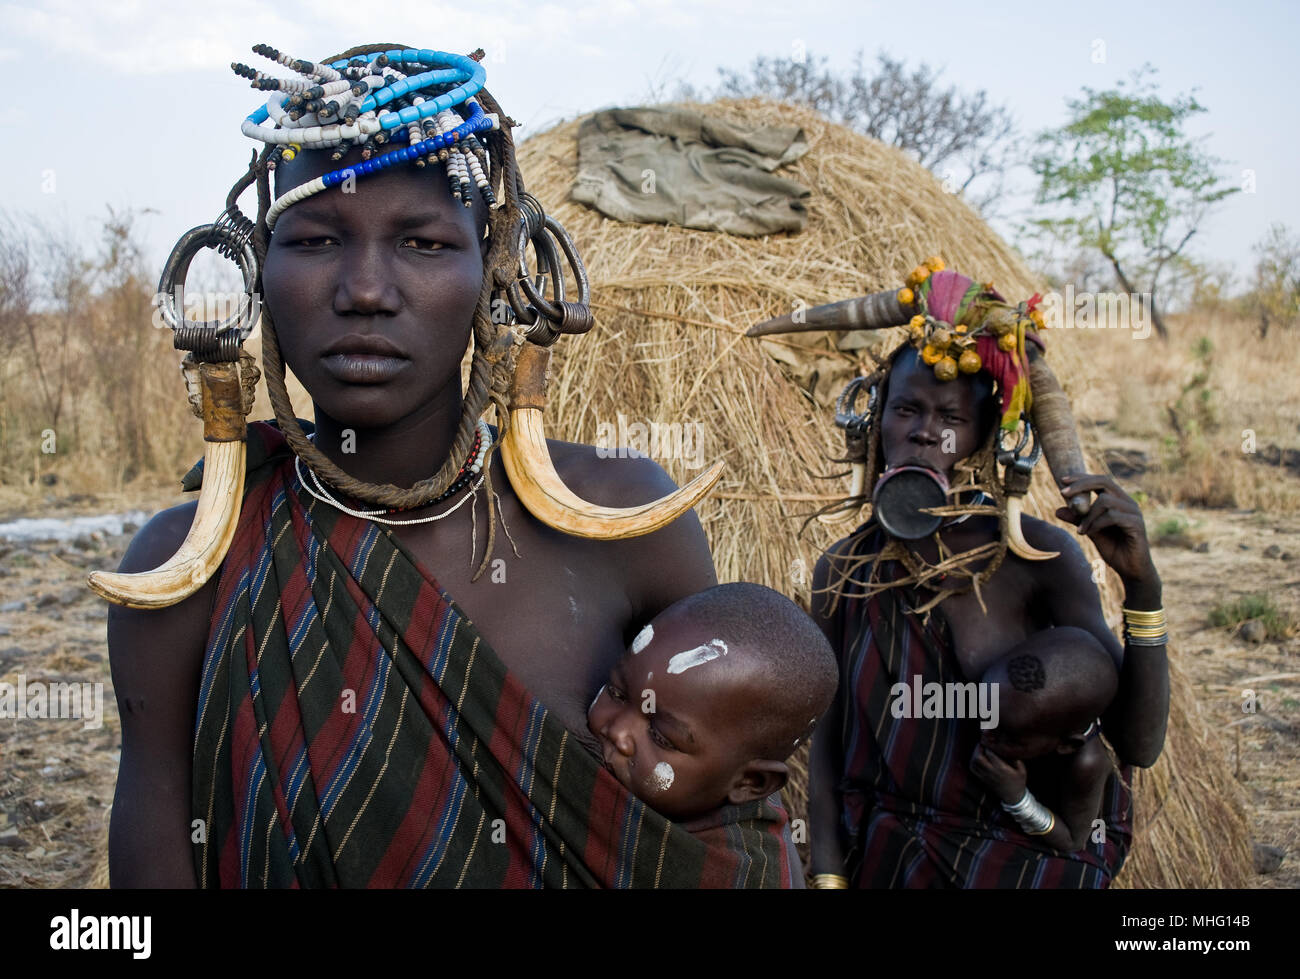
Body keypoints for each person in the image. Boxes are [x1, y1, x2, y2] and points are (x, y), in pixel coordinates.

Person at [104, 43, 796, 888]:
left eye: (424, 244)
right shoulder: (184, 570)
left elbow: (731, 846)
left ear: (497, 270)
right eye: (316, 238)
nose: (364, 288)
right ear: (254, 271)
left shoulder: (624, 522)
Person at [753, 261, 1169, 888]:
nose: (924, 432)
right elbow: (832, 748)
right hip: (887, 860)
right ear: (873, 422)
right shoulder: (843, 569)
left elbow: (1135, 746)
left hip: (1013, 866)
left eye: (950, 418)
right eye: (906, 409)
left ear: (984, 438)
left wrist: (1144, 587)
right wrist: (830, 878)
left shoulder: (1036, 559)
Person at [586, 582, 837, 826]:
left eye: (661, 737)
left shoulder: (733, 865)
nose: (619, 732)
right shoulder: (564, 768)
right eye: (617, 693)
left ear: (750, 782)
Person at [970, 638, 1119, 854]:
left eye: (1009, 737)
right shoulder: (1011, 697)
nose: (985, 735)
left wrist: (1018, 799)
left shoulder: (1087, 764)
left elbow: (1074, 842)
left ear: (1067, 745)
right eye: (985, 714)